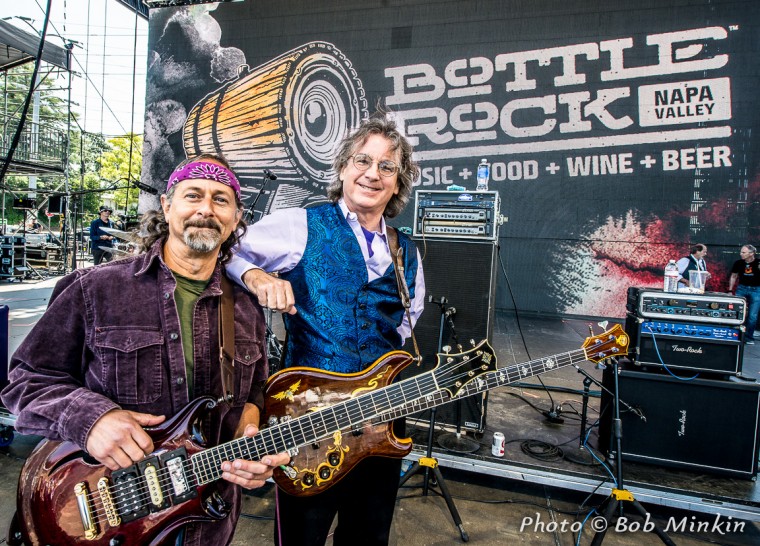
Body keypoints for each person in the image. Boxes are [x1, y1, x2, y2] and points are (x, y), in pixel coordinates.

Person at [1, 154, 290, 545]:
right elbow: (26, 380)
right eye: (194, 195)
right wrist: (93, 421)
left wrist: (253, 441)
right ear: (167, 207)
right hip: (105, 514)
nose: (206, 208)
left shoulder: (245, 307)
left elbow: (253, 393)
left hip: (207, 521)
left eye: (221, 200)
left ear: (236, 219)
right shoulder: (95, 288)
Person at [226, 114, 425, 546]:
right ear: (342, 168)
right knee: (302, 536)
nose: (372, 174)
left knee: (368, 536)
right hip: (307, 417)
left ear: (397, 183)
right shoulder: (301, 224)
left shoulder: (406, 249)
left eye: (387, 167)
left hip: (382, 421)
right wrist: (257, 278)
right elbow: (229, 251)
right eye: (362, 160)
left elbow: (405, 327)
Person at [729, 244, 760, 345]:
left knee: (752, 315)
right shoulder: (738, 263)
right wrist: (730, 290)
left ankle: (749, 337)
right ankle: (735, 334)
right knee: (737, 312)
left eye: (743, 252)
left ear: (751, 253)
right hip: (742, 288)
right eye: (741, 252)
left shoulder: (758, 262)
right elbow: (733, 276)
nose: (741, 254)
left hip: (756, 289)